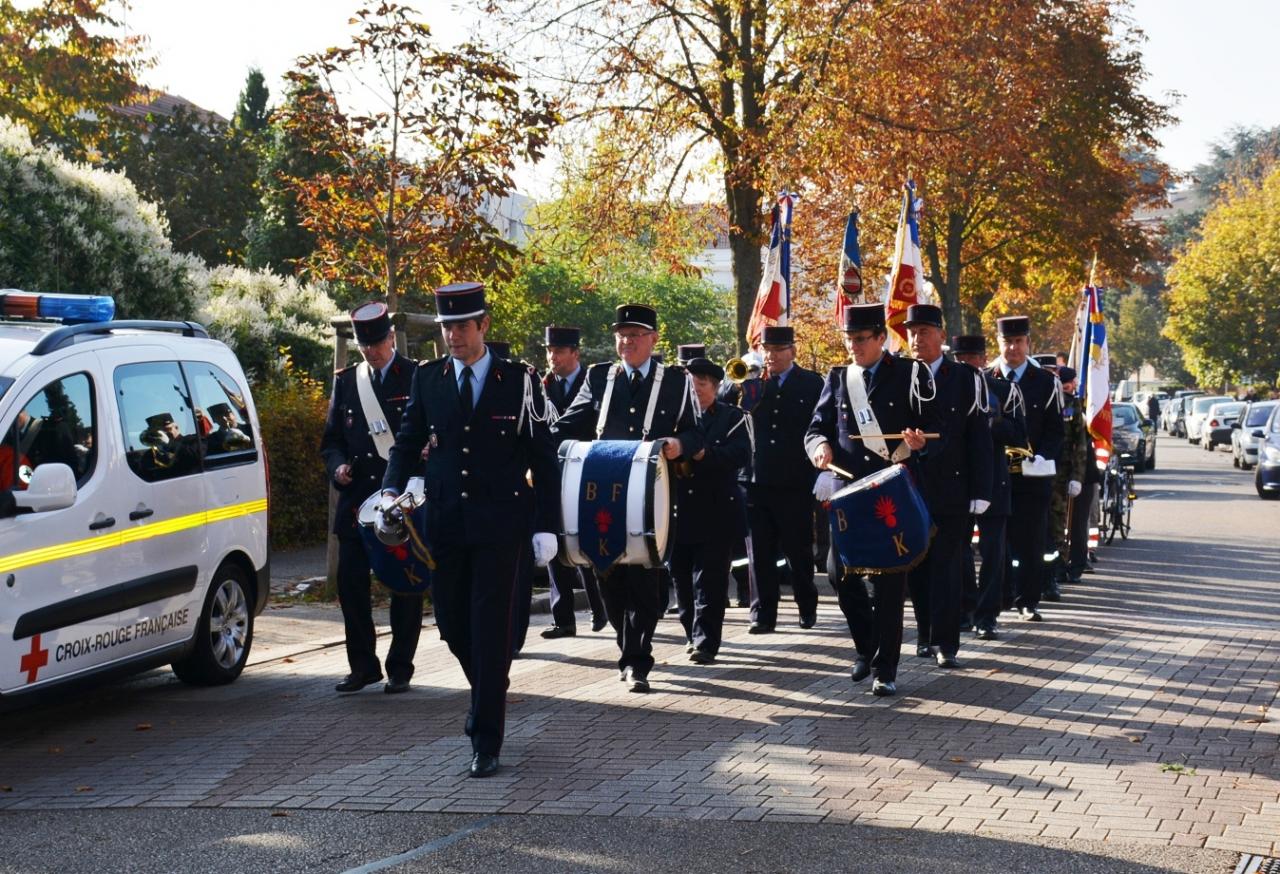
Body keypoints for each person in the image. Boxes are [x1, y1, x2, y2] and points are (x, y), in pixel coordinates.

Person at [379, 282, 559, 778]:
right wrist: (390, 491)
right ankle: (486, 693)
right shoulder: (429, 378)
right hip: (446, 522)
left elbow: (544, 458)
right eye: (446, 328)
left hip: (502, 523)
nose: (453, 336)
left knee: (490, 628)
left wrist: (548, 526)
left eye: (461, 326)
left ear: (483, 326)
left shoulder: (518, 380)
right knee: (455, 626)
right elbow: (407, 441)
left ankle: (486, 738)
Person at [551, 303, 705, 694]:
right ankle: (626, 643)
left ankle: (638, 658)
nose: (626, 341)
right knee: (608, 576)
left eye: (635, 335)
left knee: (645, 577)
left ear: (653, 339)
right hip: (602, 494)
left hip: (651, 495)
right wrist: (537, 441)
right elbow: (572, 422)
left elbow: (695, 434)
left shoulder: (674, 380)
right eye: (622, 334)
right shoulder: (600, 376)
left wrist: (678, 443)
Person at [805, 303, 938, 696]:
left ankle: (885, 669)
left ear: (881, 338)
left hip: (890, 491)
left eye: (861, 339)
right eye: (849, 340)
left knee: (889, 584)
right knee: (838, 573)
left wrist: (919, 442)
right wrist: (820, 449)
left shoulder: (910, 374)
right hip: (848, 492)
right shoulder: (839, 377)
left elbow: (934, 427)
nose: (854, 347)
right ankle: (866, 647)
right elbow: (816, 427)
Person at [320, 302, 424, 696]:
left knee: (405, 584)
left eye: (377, 344)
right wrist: (338, 467)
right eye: (365, 346)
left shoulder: (415, 376)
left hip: (399, 501)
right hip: (357, 501)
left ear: (391, 338)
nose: (371, 352)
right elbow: (330, 441)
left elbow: (428, 434)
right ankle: (363, 666)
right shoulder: (347, 381)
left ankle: (401, 666)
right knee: (350, 585)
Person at [903, 305, 992, 669]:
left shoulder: (965, 378)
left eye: (924, 331)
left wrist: (981, 490)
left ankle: (945, 642)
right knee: (917, 568)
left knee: (948, 566)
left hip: (953, 488)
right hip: (910, 488)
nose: (917, 339)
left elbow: (978, 439)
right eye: (912, 332)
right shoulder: (901, 375)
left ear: (942, 335)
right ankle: (924, 634)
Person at [743, 325, 824, 633]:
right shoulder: (753, 383)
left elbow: (820, 425)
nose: (771, 355)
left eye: (777, 350)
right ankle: (763, 615)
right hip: (757, 479)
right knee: (760, 553)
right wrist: (743, 380)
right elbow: (726, 406)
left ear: (792, 351)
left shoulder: (811, 384)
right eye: (767, 350)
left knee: (798, 550)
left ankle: (806, 604)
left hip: (794, 482)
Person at [671, 357, 752, 663]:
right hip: (679, 510)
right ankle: (691, 632)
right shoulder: (674, 417)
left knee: (710, 579)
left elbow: (741, 454)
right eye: (690, 383)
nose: (695, 389)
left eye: (701, 384)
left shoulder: (732, 417)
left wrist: (707, 454)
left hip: (717, 510)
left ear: (716, 388)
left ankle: (706, 641)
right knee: (680, 577)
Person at [988, 316, 1064, 622]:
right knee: (996, 542)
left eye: (1019, 341)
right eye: (1007, 341)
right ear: (998, 342)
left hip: (1032, 475)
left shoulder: (1045, 382)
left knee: (1031, 542)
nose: (1013, 347)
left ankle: (1027, 600)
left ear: (1028, 343)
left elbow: (1055, 430)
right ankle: (1000, 596)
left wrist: (1044, 457)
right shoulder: (985, 377)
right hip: (996, 474)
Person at [953, 335, 1026, 640]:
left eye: (973, 359)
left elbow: (1020, 434)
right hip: (959, 481)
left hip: (994, 480)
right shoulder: (945, 391)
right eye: (962, 359)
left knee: (993, 552)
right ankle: (967, 607)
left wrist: (991, 425)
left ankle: (988, 615)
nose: (968, 364)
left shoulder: (1003, 390)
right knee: (958, 551)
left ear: (984, 360)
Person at [540, 325, 607, 638]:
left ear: (574, 354)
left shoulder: (592, 382)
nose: (552, 357)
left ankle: (600, 606)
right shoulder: (541, 385)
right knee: (554, 541)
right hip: (553, 470)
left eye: (558, 351)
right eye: (549, 351)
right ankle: (563, 618)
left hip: (586, 471)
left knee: (585, 540)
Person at [1047, 366, 1088, 601]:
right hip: (1033, 471)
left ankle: (1059, 568)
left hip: (1061, 474)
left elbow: (1080, 445)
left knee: (1057, 524)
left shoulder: (1071, 404)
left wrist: (1077, 477)